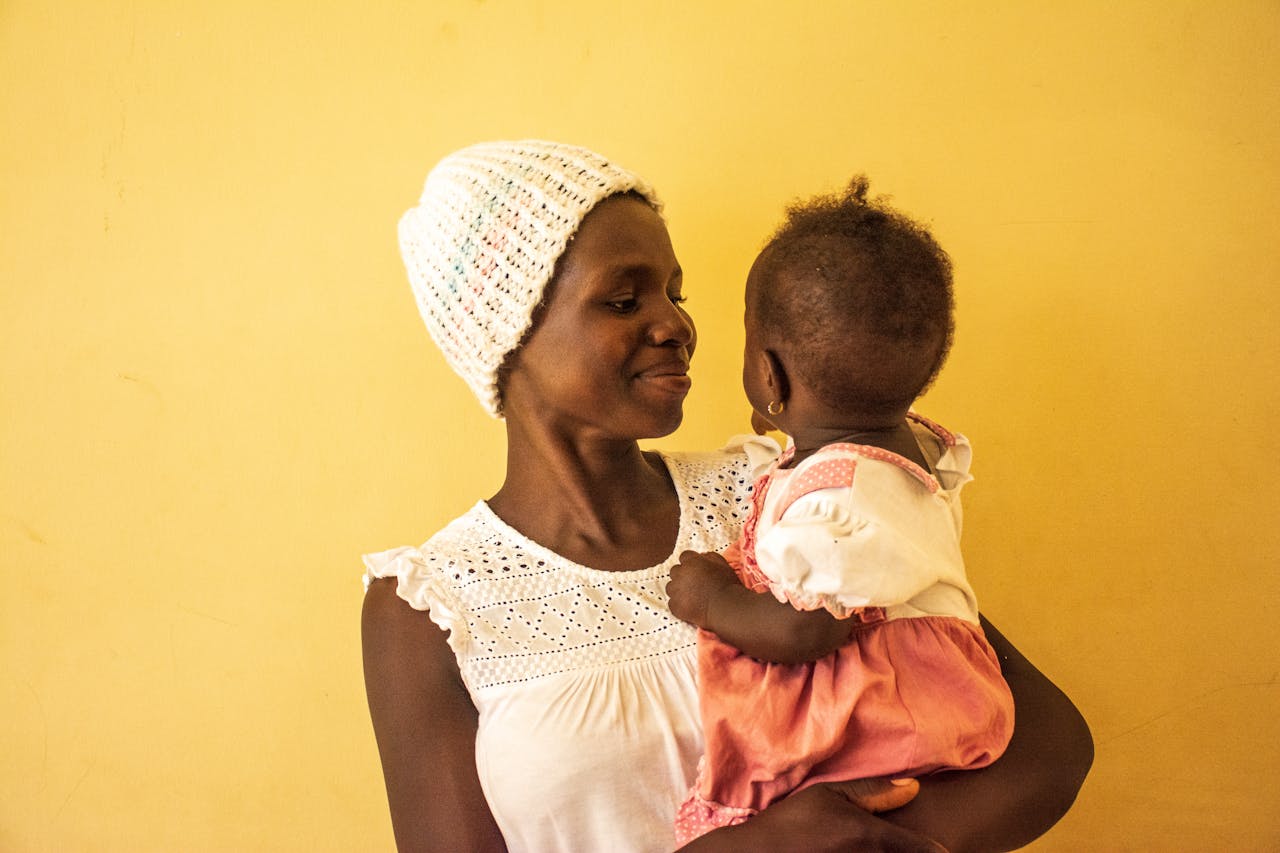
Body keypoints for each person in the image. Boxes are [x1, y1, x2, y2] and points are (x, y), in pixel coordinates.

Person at [361, 140, 1093, 853]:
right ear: (509, 335)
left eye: (675, 294)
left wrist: (874, 838)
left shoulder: (781, 489)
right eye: (624, 299)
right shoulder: (430, 607)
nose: (676, 324)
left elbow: (1046, 741)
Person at [667, 178, 1015, 844]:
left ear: (769, 373)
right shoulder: (900, 464)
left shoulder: (837, 498)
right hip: (942, 694)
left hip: (878, 715)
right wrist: (790, 423)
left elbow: (805, 633)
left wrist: (712, 599)